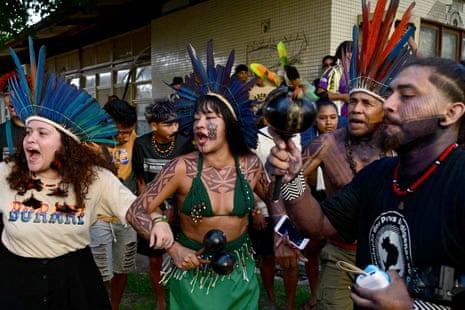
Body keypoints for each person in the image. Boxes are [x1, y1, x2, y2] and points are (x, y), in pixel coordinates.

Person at [267, 56, 465, 310]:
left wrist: (410, 308)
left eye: (407, 96)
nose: (389, 105)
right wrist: (292, 177)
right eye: (390, 94)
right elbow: (318, 224)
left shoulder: (458, 180)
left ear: (450, 113)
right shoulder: (377, 175)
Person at [127, 41, 269, 310]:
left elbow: (277, 200)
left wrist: (294, 175)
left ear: (230, 123)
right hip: (193, 274)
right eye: (197, 118)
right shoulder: (181, 167)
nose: (200, 124)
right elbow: (136, 211)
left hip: (240, 272)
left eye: (210, 117)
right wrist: (173, 248)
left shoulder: (251, 165)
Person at [0, 37, 136, 309]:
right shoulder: (6, 172)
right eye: (28, 132)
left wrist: (158, 226)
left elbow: (136, 210)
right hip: (15, 281)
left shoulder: (96, 178)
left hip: (75, 282)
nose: (29, 140)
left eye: (41, 133)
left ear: (65, 143)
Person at [132, 99, 194, 310]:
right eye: (168, 124)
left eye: (176, 123)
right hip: (152, 210)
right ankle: (161, 301)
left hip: (179, 211)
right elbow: (141, 181)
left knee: (182, 255)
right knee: (155, 260)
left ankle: (182, 297)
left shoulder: (184, 143)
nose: (175, 128)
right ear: (153, 126)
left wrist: (175, 209)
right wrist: (151, 211)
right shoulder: (141, 144)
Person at [89, 99, 138, 310]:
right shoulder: (90, 143)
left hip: (126, 217)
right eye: (121, 132)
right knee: (101, 272)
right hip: (98, 219)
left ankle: (115, 307)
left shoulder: (134, 138)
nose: (126, 137)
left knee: (122, 268)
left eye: (130, 132)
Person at [300, 98, 344, 310]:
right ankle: (315, 295)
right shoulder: (309, 144)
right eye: (323, 118)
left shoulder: (345, 142)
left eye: (333, 118)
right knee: (312, 249)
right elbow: (293, 178)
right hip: (314, 200)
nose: (328, 122)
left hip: (337, 204)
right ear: (314, 120)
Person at [316, 41, 352, 116]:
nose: (351, 55)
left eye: (353, 51)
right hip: (337, 117)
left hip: (355, 117)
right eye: (349, 51)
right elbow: (320, 94)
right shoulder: (332, 71)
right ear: (341, 54)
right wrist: (343, 97)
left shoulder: (360, 72)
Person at [0, 71, 30, 161]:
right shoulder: (1, 132)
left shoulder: (43, 130)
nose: (10, 100)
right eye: (7, 95)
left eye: (15, 94)